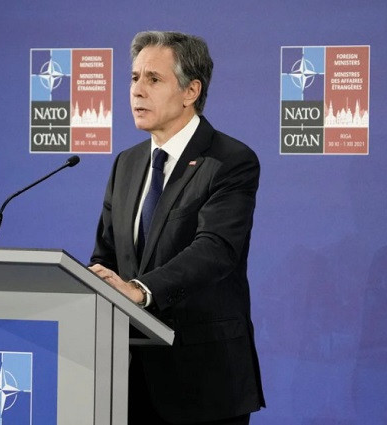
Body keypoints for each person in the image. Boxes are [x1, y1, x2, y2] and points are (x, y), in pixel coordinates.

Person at [89, 31, 265, 425]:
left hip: (202, 382)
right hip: (126, 383)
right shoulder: (127, 164)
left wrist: (140, 290)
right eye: (134, 78)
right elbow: (106, 256)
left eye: (153, 79)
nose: (137, 90)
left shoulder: (230, 160)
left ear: (191, 91)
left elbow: (216, 249)